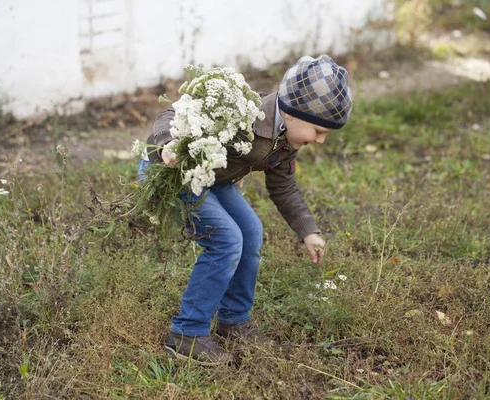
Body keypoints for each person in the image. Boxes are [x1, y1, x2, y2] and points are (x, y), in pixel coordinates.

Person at [140, 54, 353, 365]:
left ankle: (233, 321)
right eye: (318, 131)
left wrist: (308, 231)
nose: (320, 140)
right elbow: (171, 113)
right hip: (175, 174)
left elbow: (283, 187)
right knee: (226, 239)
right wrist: (168, 145)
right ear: (292, 115)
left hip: (212, 176)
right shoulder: (242, 111)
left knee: (251, 232)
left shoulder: (287, 140)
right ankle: (186, 334)